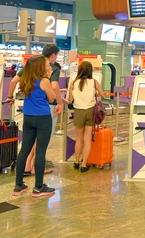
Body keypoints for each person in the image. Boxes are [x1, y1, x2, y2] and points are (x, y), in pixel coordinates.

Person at [8, 44, 66, 172]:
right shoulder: (53, 68)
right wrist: (59, 103)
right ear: (53, 55)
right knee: (41, 140)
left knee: (29, 141)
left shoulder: (31, 65)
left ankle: (27, 165)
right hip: (45, 109)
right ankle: (35, 167)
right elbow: (54, 87)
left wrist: (10, 97)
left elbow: (13, 82)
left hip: (29, 110)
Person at [13, 55, 61, 197]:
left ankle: (18, 185)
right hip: (42, 118)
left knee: (24, 150)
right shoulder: (45, 81)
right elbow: (52, 98)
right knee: (40, 151)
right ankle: (39, 187)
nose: (49, 65)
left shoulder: (26, 79)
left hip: (28, 118)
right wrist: (50, 77)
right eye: (47, 63)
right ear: (41, 66)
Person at [68, 61, 103, 173]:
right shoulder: (94, 82)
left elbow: (70, 100)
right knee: (87, 139)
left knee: (79, 138)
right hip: (90, 111)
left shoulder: (74, 82)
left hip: (78, 111)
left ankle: (77, 162)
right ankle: (84, 165)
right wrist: (94, 95)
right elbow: (101, 93)